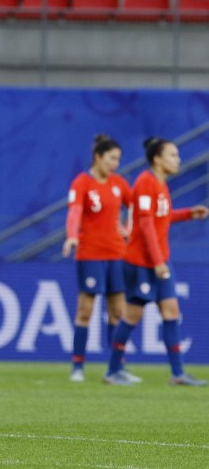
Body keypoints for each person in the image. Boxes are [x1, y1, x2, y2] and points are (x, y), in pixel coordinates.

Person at [103, 137, 209, 386]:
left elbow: (161, 217)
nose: (178, 159)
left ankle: (178, 374)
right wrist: (158, 260)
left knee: (171, 311)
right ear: (157, 159)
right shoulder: (144, 183)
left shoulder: (161, 185)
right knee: (132, 316)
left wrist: (188, 214)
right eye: (172, 155)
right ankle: (113, 370)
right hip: (142, 261)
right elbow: (146, 223)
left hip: (161, 259)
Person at [62, 135, 134, 383]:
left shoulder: (119, 183)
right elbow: (74, 211)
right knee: (85, 311)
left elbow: (136, 207)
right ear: (98, 157)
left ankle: (116, 368)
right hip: (90, 254)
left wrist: (129, 228)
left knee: (117, 312)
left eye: (118, 159)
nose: (115, 164)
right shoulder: (82, 183)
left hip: (117, 253)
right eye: (112, 158)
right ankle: (78, 367)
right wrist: (72, 236)